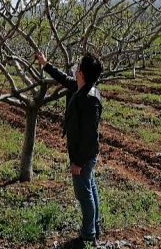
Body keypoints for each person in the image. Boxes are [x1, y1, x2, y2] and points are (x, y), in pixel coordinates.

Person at [35, 51, 103, 248]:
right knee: (90, 187)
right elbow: (64, 79)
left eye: (78, 65)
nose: (75, 67)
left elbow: (89, 136)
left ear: (81, 72)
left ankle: (88, 235)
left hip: (84, 156)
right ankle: (94, 226)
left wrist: (78, 162)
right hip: (86, 155)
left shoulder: (89, 99)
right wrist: (45, 65)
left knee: (84, 194)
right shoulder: (82, 88)